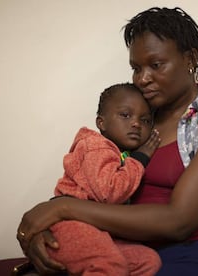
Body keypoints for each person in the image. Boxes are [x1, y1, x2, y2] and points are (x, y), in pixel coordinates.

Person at [17, 7, 198, 275]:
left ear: (190, 59)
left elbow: (178, 221)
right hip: (125, 247)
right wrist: (50, 231)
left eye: (155, 65)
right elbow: (92, 182)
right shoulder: (134, 121)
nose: (142, 78)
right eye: (136, 68)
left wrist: (63, 208)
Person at [46, 83, 161, 275]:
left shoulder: (121, 152)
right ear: (101, 123)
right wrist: (140, 159)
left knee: (148, 260)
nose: (136, 124)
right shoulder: (96, 146)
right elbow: (109, 193)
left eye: (146, 120)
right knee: (109, 265)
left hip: (99, 231)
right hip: (71, 226)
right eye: (125, 115)